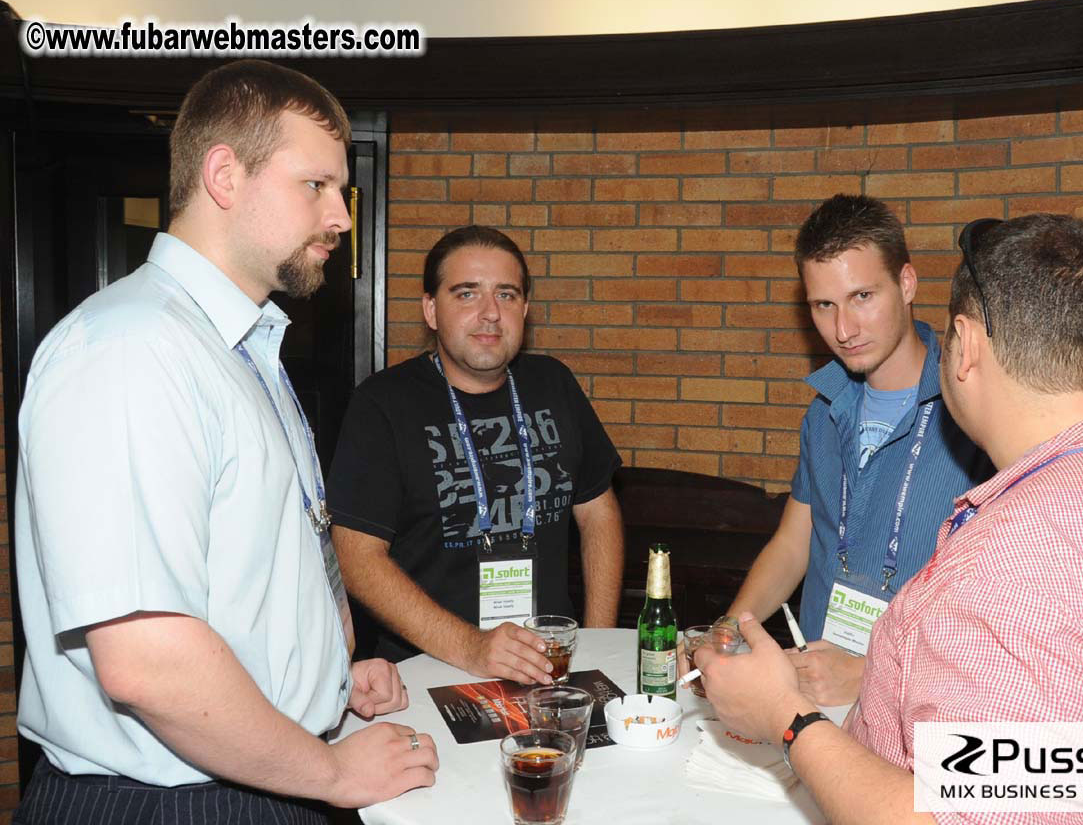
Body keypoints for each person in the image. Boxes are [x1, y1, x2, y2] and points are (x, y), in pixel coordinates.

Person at [696, 213, 1083, 825]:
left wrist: (785, 718)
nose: (844, 326)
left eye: (862, 296)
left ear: (968, 345)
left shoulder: (1013, 564)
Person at [13, 61, 439, 824]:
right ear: (223, 175)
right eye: (315, 185)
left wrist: (325, 677)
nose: (341, 217)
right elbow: (148, 661)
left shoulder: (237, 347)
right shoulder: (132, 349)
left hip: (253, 774)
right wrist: (329, 771)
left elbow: (247, 574)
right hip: (170, 805)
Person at [713, 194, 989, 706]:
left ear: (907, 284)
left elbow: (1003, 613)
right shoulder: (824, 411)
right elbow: (795, 542)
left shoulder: (977, 413)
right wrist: (731, 627)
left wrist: (868, 675)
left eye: (862, 296)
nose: (843, 330)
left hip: (920, 708)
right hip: (815, 695)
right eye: (824, 305)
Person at [328, 225, 625, 684]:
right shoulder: (382, 404)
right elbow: (357, 556)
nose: (490, 314)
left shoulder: (554, 384)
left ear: (525, 309)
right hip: (429, 670)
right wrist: (472, 648)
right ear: (431, 309)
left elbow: (598, 513)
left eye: (506, 295)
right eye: (467, 294)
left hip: (552, 667)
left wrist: (597, 641)